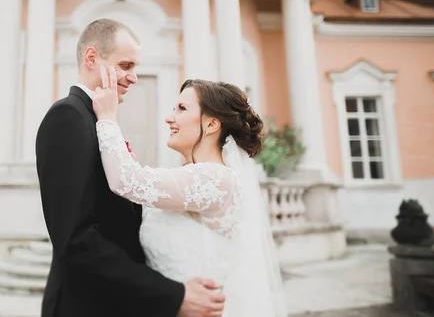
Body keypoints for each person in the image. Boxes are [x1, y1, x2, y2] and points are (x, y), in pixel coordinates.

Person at [35, 18, 226, 317]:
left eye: (135, 67)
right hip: (83, 306)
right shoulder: (68, 117)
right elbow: (75, 239)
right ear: (92, 58)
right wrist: (172, 295)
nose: (134, 77)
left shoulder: (99, 119)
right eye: (126, 66)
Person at [91, 66, 288, 317]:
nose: (169, 118)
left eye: (182, 109)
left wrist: (107, 117)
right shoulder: (191, 176)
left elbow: (124, 181)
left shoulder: (216, 179)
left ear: (212, 124)